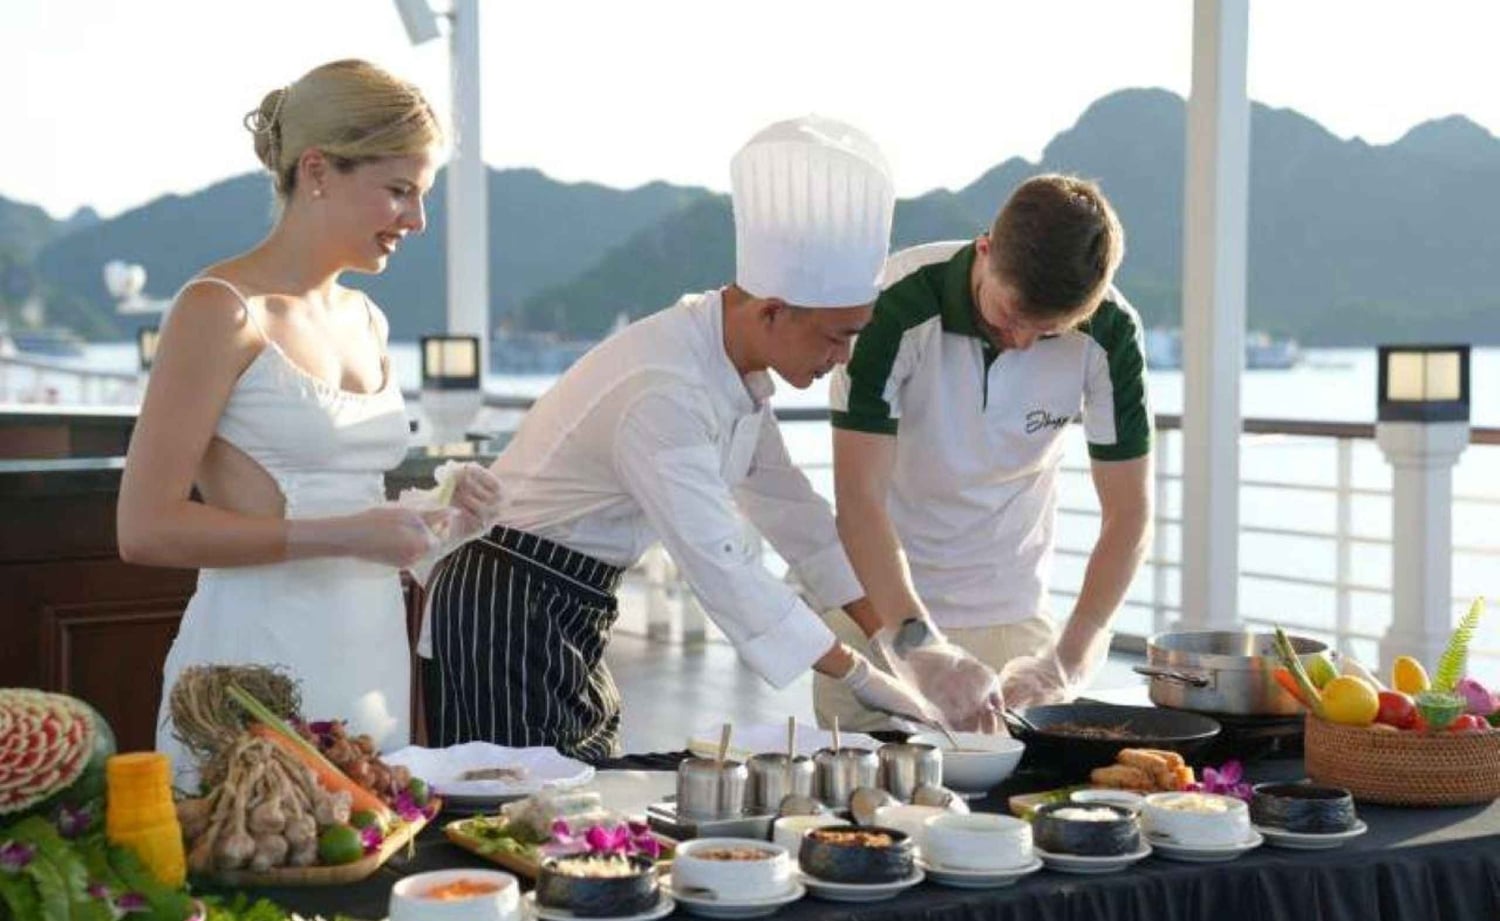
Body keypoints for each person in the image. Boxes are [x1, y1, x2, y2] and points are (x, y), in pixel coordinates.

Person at [423, 116, 1001, 761]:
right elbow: (723, 563)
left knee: (578, 788)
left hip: (573, 605)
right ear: (772, 312)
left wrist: (910, 646)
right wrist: (863, 678)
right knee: (519, 801)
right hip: (506, 604)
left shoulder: (733, 368)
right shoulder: (665, 389)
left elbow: (800, 519)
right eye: (837, 336)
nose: (843, 358)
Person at [118, 59, 499, 782]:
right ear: (318, 170)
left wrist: (443, 523)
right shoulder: (219, 309)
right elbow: (143, 528)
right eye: (399, 190)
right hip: (249, 674)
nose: (417, 220)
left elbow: (352, 512)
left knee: (373, 847)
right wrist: (346, 533)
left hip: (370, 663)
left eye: (422, 195)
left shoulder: (368, 318)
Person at [813, 174, 1154, 730]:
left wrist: (1065, 661)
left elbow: (1129, 513)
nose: (1022, 342)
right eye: (1010, 317)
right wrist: (918, 648)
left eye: (1049, 332)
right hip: (876, 613)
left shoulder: (1111, 331)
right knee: (866, 783)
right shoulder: (892, 306)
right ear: (986, 249)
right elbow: (859, 499)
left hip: (1014, 620)